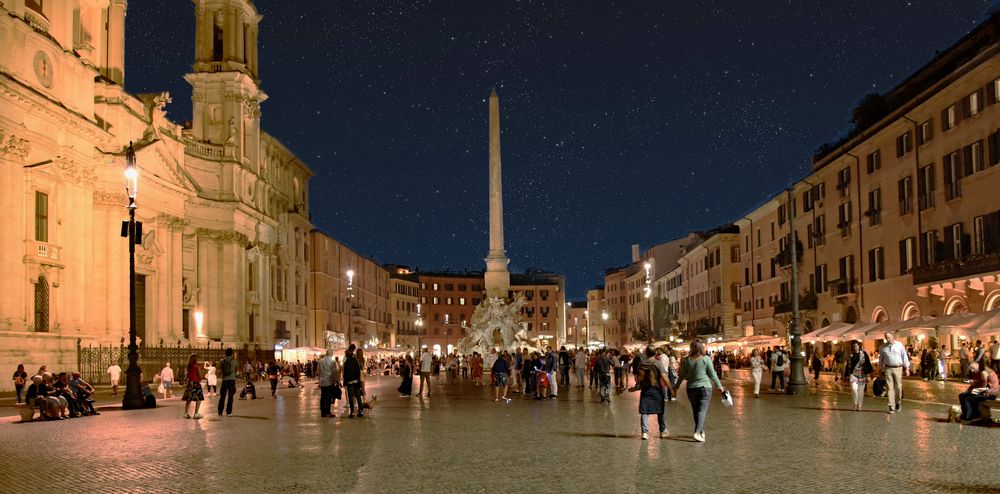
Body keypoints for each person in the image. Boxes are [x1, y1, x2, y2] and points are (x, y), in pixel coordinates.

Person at [674, 339, 725, 442]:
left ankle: (700, 431)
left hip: (691, 389)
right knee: (701, 410)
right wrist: (719, 386)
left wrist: (676, 386)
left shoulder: (687, 360)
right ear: (701, 348)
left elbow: (682, 375)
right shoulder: (706, 359)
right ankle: (697, 432)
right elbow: (712, 374)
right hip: (705, 388)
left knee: (696, 410)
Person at [637, 345, 675, 440]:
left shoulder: (641, 363)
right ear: (655, 353)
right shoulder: (657, 363)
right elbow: (664, 376)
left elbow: (638, 377)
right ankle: (662, 430)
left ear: (646, 353)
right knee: (660, 410)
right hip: (656, 389)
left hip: (645, 390)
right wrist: (671, 389)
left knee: (644, 411)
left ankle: (644, 432)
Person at [878, 331, 910, 414]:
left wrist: (907, 368)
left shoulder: (899, 345)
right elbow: (881, 359)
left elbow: (904, 356)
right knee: (889, 388)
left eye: (889, 337)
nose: (887, 339)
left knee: (898, 387)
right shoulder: (882, 347)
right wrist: (880, 369)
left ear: (893, 336)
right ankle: (891, 406)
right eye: (886, 338)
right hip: (887, 368)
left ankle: (898, 402)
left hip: (898, 368)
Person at [842, 341, 874, 411]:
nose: (855, 348)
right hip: (853, 374)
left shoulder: (864, 354)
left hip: (862, 373)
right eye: (853, 346)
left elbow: (868, 363)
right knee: (853, 389)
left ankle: (859, 406)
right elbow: (848, 365)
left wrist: (869, 375)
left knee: (860, 391)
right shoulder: (851, 355)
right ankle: (855, 403)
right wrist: (845, 375)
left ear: (859, 346)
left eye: (856, 346)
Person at [343, 344, 363, 417]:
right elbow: (358, 371)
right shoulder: (355, 360)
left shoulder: (346, 361)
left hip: (349, 381)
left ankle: (352, 412)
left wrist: (344, 382)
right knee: (358, 396)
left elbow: (345, 373)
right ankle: (360, 411)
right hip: (356, 381)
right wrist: (359, 381)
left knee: (351, 397)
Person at [217, 348, 238, 416]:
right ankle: (229, 412)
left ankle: (220, 412)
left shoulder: (222, 361)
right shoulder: (234, 361)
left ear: (225, 353)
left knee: (222, 396)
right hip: (232, 380)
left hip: (224, 380)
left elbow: (220, 370)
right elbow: (236, 370)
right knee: (230, 396)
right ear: (231, 353)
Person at [183, 353, 204, 419]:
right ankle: (196, 413)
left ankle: (186, 413)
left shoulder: (188, 366)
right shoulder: (196, 366)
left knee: (189, 399)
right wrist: (200, 380)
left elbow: (188, 375)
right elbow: (199, 375)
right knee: (199, 398)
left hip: (190, 383)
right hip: (196, 383)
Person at [318, 349, 338, 417]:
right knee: (329, 397)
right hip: (329, 381)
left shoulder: (320, 361)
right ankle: (328, 412)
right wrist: (336, 380)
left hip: (323, 381)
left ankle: (322, 412)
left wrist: (319, 381)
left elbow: (319, 372)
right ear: (332, 354)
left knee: (323, 397)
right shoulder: (332, 361)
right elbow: (334, 372)